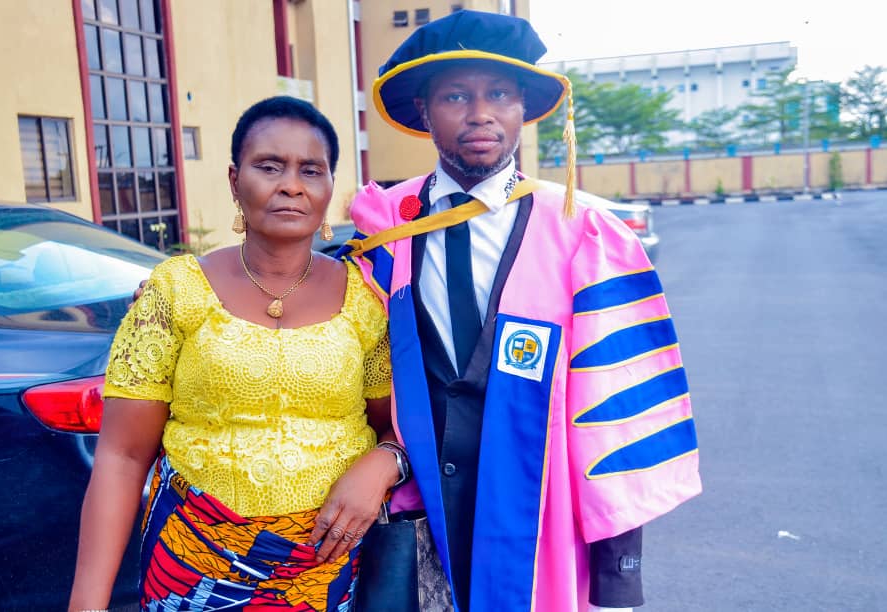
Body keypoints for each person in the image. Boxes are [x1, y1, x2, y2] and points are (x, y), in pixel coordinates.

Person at [341, 10, 702, 612]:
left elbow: (618, 408)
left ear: (524, 108)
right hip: (418, 509)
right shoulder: (385, 228)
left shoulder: (583, 235)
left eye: (500, 94)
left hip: (540, 517)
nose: (480, 113)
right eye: (456, 95)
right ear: (425, 111)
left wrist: (616, 572)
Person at [68, 96, 408, 611]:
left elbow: (396, 426)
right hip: (191, 565)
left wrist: (383, 463)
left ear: (329, 187)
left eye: (310, 170)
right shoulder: (176, 292)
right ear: (234, 180)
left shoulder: (367, 300)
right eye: (269, 166)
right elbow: (122, 456)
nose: (291, 185)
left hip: (324, 573)